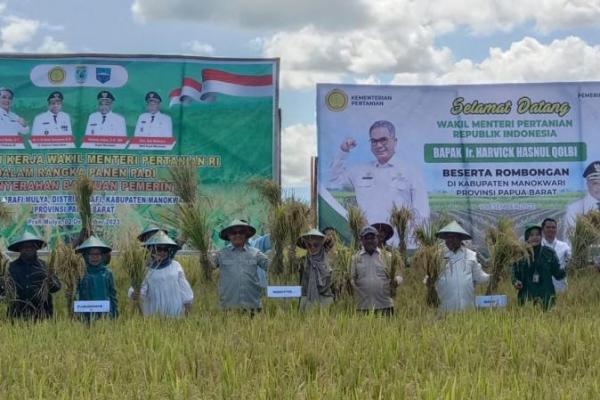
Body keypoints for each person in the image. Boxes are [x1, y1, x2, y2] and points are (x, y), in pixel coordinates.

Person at [328, 120, 429, 245]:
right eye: (374, 141)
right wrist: (343, 151)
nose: (379, 145)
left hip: (400, 244)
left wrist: (416, 245)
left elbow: (421, 212)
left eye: (383, 140)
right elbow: (334, 178)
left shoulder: (411, 172)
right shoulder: (361, 171)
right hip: (368, 244)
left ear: (395, 141)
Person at [130, 231, 194, 317]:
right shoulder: (145, 270)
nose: (162, 252)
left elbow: (185, 291)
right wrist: (134, 293)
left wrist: (188, 314)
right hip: (154, 313)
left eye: (165, 249)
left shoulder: (176, 265)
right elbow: (140, 291)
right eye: (159, 249)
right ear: (151, 249)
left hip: (175, 313)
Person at [213, 219, 268, 314]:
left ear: (246, 234)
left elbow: (272, 267)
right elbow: (208, 266)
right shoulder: (221, 254)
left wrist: (279, 253)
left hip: (253, 307)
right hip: (228, 308)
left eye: (241, 232)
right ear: (229, 235)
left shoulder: (256, 253)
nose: (237, 235)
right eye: (234, 232)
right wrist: (203, 256)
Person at [1, 231, 60, 319]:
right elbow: (4, 291)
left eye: (32, 246)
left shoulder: (45, 266)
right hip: (17, 315)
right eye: (25, 247)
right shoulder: (11, 268)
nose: (28, 249)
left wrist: (51, 282)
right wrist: (2, 283)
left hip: (42, 314)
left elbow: (56, 287)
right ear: (19, 249)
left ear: (36, 248)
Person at [434, 221, 489, 312]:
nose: (450, 240)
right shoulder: (437, 256)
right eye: (448, 237)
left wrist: (492, 276)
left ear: (460, 238)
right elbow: (429, 279)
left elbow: (479, 276)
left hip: (467, 307)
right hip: (445, 308)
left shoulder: (470, 255)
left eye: (453, 237)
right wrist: (429, 284)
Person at [350, 226, 402, 315]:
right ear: (361, 240)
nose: (369, 241)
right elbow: (351, 278)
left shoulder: (387, 257)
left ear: (377, 239)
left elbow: (399, 275)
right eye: (366, 238)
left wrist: (396, 281)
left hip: (385, 305)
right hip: (363, 306)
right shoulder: (355, 258)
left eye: (372, 238)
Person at [512, 224, 565, 311]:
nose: (535, 237)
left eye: (538, 234)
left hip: (546, 298)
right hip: (526, 298)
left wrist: (568, 268)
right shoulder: (520, 254)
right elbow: (514, 273)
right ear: (526, 237)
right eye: (531, 235)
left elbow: (558, 274)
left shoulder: (549, 253)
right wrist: (515, 282)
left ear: (541, 236)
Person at [75, 235, 118, 319]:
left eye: (97, 254)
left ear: (102, 256)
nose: (95, 257)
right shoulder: (80, 273)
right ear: (86, 256)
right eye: (91, 254)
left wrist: (115, 313)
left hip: (106, 315)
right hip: (86, 315)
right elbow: (75, 293)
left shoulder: (108, 273)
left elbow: (113, 295)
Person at [297, 229, 334, 310]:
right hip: (307, 299)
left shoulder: (329, 261)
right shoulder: (303, 261)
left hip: (325, 300)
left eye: (316, 245)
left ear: (321, 245)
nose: (312, 247)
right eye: (309, 245)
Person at [563, 161, 600, 238]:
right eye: (595, 183)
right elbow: (569, 238)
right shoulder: (574, 208)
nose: (599, 188)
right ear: (587, 184)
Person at [541, 218, 571, 292]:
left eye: (553, 227)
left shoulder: (564, 246)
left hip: (560, 289)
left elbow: (570, 257)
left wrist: (571, 259)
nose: (551, 229)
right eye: (548, 227)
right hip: (541, 290)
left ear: (556, 229)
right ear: (543, 229)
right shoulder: (538, 246)